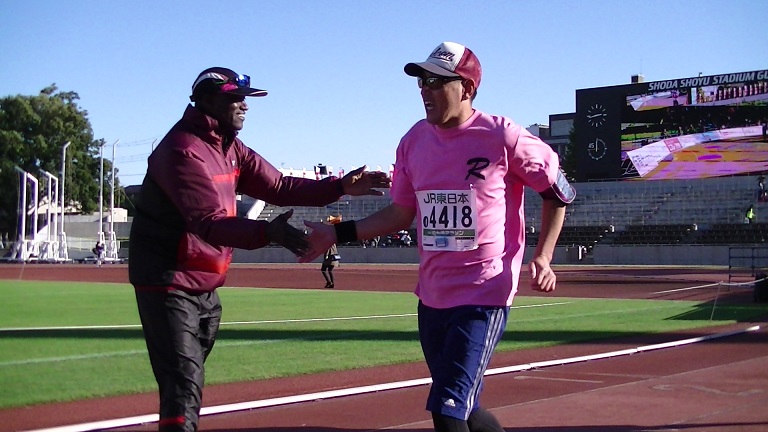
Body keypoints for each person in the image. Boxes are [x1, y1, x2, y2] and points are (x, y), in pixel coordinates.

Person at [300, 42, 574, 432]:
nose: (425, 90)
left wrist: (543, 256)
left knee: (448, 408)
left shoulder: (503, 136)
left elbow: (557, 193)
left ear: (467, 88)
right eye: (422, 82)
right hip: (432, 296)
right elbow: (400, 214)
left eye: (436, 82)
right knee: (464, 406)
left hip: (483, 293)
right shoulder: (413, 141)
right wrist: (335, 233)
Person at [128, 67, 390, 432]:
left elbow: (278, 186)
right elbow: (208, 222)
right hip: (168, 280)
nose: (244, 106)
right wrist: (268, 232)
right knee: (183, 382)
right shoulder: (183, 150)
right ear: (206, 100)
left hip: (205, 284)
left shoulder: (229, 147)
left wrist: (339, 188)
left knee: (185, 380)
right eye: (235, 98)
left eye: (245, 99)